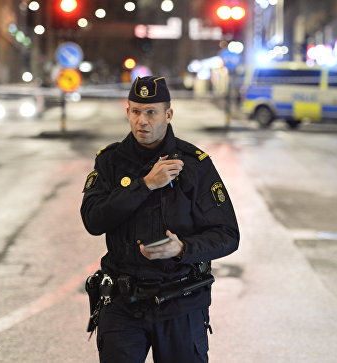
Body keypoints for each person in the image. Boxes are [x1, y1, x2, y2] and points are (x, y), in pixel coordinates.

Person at [80, 76, 240, 363]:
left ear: (168, 115)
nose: (143, 120)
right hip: (122, 302)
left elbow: (228, 235)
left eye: (151, 112)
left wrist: (182, 249)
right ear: (127, 112)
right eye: (136, 111)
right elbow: (93, 220)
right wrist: (145, 185)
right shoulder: (109, 162)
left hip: (180, 301)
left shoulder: (195, 164)